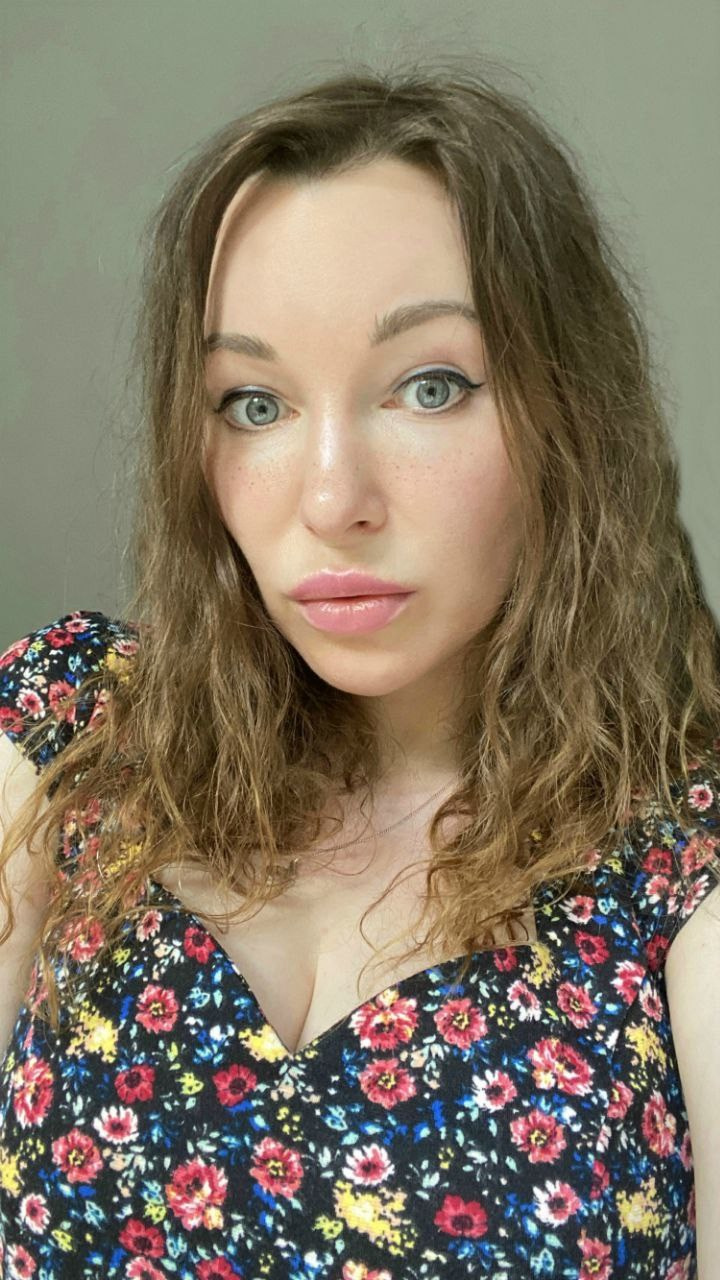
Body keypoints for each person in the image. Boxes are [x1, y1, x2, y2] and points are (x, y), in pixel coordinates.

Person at [1, 55, 719, 1280]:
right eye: (253, 402)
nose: (333, 499)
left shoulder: (683, 856)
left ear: (570, 414)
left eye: (429, 386)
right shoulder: (68, 733)